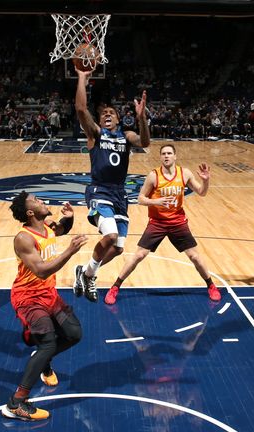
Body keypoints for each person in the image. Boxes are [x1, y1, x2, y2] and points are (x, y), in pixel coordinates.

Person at [2, 191, 87, 422]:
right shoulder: (24, 238)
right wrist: (70, 250)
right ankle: (16, 403)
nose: (41, 200)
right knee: (48, 343)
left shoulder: (46, 225)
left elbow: (59, 230)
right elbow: (40, 270)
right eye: (36, 200)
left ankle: (42, 361)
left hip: (48, 293)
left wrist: (68, 219)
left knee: (74, 333)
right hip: (28, 298)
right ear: (30, 212)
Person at [105, 144, 220, 304]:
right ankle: (115, 287)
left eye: (169, 153)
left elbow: (202, 192)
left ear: (175, 156)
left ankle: (211, 286)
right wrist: (156, 201)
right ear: (160, 157)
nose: (166, 156)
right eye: (164, 154)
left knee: (194, 256)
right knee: (139, 255)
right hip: (157, 222)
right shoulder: (153, 176)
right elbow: (140, 199)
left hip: (178, 221)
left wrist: (206, 181)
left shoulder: (184, 173)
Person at [72, 68, 150, 302]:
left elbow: (145, 141)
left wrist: (142, 118)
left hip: (119, 195)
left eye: (111, 112)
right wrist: (82, 78)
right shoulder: (95, 134)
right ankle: (90, 276)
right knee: (110, 235)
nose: (107, 114)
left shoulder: (126, 136)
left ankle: (84, 272)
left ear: (118, 118)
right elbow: (80, 109)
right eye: (103, 112)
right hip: (99, 190)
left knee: (117, 248)